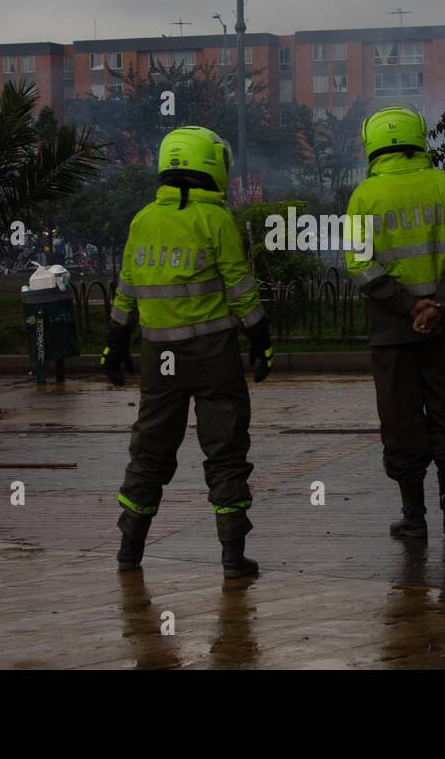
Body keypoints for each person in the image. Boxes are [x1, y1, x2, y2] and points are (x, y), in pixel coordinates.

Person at [104, 126, 273, 578]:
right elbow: (240, 290)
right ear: (212, 166)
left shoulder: (142, 220)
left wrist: (115, 344)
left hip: (158, 358)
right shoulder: (216, 220)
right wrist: (260, 339)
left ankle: (129, 550)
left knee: (150, 451)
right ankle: (233, 556)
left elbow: (126, 289)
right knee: (225, 451)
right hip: (213, 356)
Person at [344, 105, 445, 538]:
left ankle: (414, 517)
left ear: (371, 144)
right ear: (419, 138)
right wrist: (437, 304)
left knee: (401, 419)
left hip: (392, 334)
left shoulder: (364, 196)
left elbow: (359, 264)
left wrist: (408, 307)